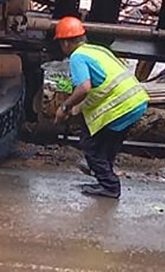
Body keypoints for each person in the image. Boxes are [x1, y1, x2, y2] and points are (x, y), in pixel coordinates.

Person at [53, 16, 149, 199]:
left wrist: (64, 108)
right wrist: (76, 110)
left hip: (122, 107)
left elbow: (84, 88)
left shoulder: (77, 57)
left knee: (91, 145)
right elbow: (99, 86)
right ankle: (105, 179)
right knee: (107, 147)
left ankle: (110, 186)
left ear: (65, 43)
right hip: (137, 102)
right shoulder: (98, 50)